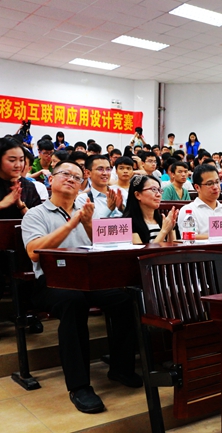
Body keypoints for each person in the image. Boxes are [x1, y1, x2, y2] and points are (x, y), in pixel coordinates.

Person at [22, 160, 140, 414]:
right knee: (72, 302)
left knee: (124, 299)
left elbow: (103, 244)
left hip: (88, 279)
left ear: (81, 185)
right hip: (51, 282)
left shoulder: (88, 209)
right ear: (50, 180)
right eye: (64, 174)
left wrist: (86, 222)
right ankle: (79, 386)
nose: (71, 179)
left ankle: (121, 368)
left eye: (76, 177)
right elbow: (33, 252)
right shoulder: (36, 214)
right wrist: (71, 223)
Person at [179, 165, 222, 239]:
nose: (215, 187)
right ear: (197, 187)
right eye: (210, 183)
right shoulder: (188, 211)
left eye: (217, 182)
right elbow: (189, 237)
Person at [123, 175, 178, 244]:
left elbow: (173, 247)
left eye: (159, 190)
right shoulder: (127, 223)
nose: (159, 195)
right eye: (154, 190)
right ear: (137, 195)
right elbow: (141, 250)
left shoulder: (163, 219)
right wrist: (164, 231)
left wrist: (170, 229)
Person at [0, 137, 41, 218]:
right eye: (12, 160)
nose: (18, 165)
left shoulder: (28, 186)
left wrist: (20, 205)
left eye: (21, 160)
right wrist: (3, 204)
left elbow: (39, 220)